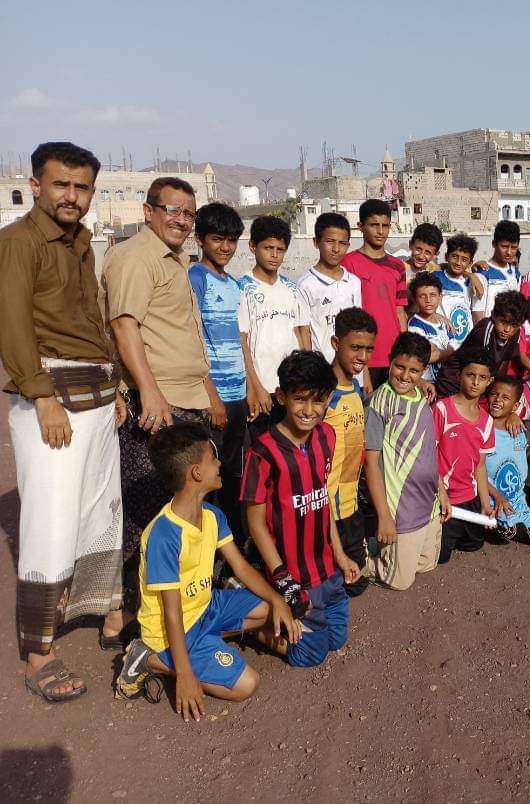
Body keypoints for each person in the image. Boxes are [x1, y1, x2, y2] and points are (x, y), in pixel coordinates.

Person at [0, 141, 126, 701]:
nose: (72, 196)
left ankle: (96, 607)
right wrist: (41, 396)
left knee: (99, 509)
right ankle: (38, 651)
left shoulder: (81, 244)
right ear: (36, 186)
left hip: (97, 395)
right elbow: (11, 324)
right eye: (61, 184)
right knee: (49, 521)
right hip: (53, 398)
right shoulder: (18, 242)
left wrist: (116, 386)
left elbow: (91, 321)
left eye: (81, 187)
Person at [115, 422, 300, 716]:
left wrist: (278, 600)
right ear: (196, 473)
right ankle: (149, 659)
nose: (219, 463)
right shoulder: (165, 535)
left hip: (206, 606)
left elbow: (240, 566)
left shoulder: (212, 515)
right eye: (213, 458)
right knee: (247, 685)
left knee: (268, 608)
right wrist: (184, 676)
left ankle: (209, 643)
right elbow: (172, 613)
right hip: (174, 629)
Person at [102, 175, 213, 617]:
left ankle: (173, 607)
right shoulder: (135, 256)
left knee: (178, 509)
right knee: (146, 514)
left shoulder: (174, 260)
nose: (182, 220)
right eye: (173, 210)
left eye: (189, 213)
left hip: (185, 400)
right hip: (158, 405)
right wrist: (148, 392)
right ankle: (127, 615)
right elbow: (123, 324)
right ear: (148, 212)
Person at [241, 351, 361, 668]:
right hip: (294, 578)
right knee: (310, 655)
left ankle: (284, 619)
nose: (309, 411)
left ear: (329, 398)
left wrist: (340, 555)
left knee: (337, 640)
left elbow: (322, 499)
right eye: (299, 399)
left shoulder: (327, 436)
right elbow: (256, 524)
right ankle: (254, 622)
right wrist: (284, 580)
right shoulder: (263, 452)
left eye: (318, 401)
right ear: (281, 396)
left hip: (328, 570)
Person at [365, 333, 449, 590]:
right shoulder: (380, 402)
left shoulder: (421, 396)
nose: (404, 375)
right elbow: (371, 463)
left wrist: (441, 491)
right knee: (400, 581)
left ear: (423, 371)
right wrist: (384, 516)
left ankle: (384, 549)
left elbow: (428, 451)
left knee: (427, 564)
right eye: (399, 366)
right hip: (401, 509)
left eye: (414, 371)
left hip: (428, 503)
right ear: (390, 361)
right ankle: (358, 558)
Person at [188, 202, 247, 539]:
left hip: (238, 395)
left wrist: (249, 390)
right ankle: (207, 547)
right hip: (215, 398)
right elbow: (194, 340)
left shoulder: (234, 284)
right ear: (200, 239)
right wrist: (212, 398)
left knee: (233, 476)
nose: (225, 247)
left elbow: (241, 339)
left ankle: (232, 542)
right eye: (217, 239)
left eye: (231, 240)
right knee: (206, 478)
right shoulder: (195, 278)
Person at [238, 215, 311, 430]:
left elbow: (302, 334)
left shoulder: (292, 289)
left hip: (291, 388)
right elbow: (242, 341)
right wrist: (255, 387)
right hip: (263, 389)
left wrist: (308, 379)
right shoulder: (242, 288)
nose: (274, 255)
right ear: (252, 247)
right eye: (268, 248)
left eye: (280, 249)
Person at [324, 308, 377, 596]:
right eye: (355, 347)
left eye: (369, 349)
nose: (363, 356)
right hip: (326, 511)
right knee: (330, 588)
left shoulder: (355, 389)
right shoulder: (322, 397)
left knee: (356, 585)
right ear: (335, 343)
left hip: (350, 505)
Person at [433, 349, 496, 563]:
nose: (475, 382)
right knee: (440, 557)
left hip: (469, 497)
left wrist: (485, 503)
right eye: (470, 375)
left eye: (482, 377)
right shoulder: (442, 409)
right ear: (459, 375)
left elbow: (480, 466)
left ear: (489, 381)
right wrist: (441, 494)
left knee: (474, 544)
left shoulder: (487, 421)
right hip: (443, 497)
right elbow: (429, 457)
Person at [341, 199, 407, 387]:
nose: (380, 231)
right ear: (361, 226)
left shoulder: (397, 265)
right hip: (362, 355)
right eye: (374, 225)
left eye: (385, 226)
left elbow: (399, 309)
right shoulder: (348, 263)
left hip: (393, 354)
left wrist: (405, 348)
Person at [484, 376, 530, 544]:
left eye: (505, 397)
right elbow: (476, 471)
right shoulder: (482, 429)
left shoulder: (520, 430)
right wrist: (496, 497)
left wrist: (514, 416)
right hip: (491, 498)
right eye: (494, 394)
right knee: (511, 532)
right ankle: (487, 524)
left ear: (515, 406)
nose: (498, 400)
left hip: (517, 500)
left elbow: (528, 450)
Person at [436, 290, 528, 398]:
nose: (507, 329)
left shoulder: (515, 333)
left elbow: (503, 365)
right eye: (503, 322)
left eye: (514, 325)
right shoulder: (485, 330)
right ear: (494, 315)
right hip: (453, 382)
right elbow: (478, 367)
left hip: (477, 385)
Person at [297, 213, 362, 364]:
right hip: (322, 368)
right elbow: (303, 331)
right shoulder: (306, 284)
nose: (336, 249)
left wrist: (362, 371)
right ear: (316, 242)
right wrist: (309, 368)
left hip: (351, 367)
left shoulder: (354, 282)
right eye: (330, 241)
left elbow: (359, 329)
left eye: (342, 243)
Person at [434, 233, 480, 348]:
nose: (458, 263)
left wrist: (472, 275)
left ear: (470, 263)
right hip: (442, 343)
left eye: (464, 259)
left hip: (465, 345)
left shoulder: (471, 282)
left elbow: (480, 294)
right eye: (454, 256)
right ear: (446, 256)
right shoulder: (435, 278)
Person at [472, 220, 522, 323]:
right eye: (504, 246)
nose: (509, 252)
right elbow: (477, 312)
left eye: (513, 247)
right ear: (494, 244)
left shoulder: (516, 274)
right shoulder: (482, 272)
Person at [407, 273, 453, 382]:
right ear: (415, 299)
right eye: (422, 296)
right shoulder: (415, 326)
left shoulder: (444, 322)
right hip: (426, 382)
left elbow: (454, 348)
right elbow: (421, 358)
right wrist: (446, 352)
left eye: (432, 295)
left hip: (444, 381)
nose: (428, 300)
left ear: (440, 297)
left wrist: (439, 352)